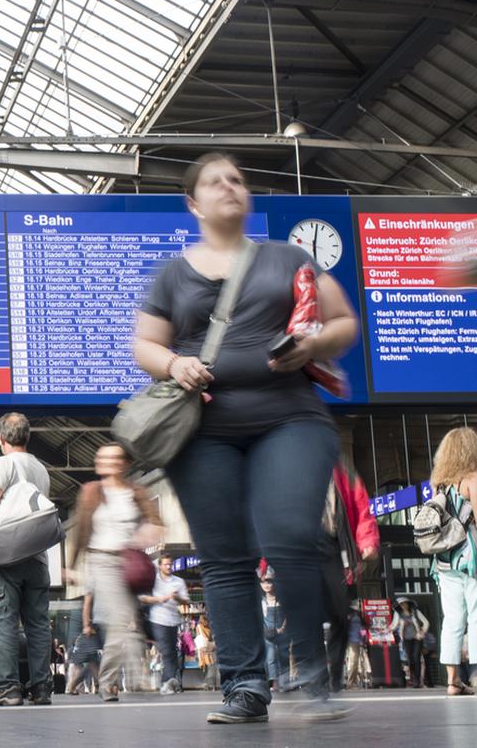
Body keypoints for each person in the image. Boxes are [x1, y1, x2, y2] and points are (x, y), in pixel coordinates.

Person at [133, 152, 358, 724]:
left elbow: (343, 322)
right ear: (193, 204)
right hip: (203, 430)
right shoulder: (172, 274)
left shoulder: (286, 257)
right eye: (213, 181)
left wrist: (311, 346)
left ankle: (311, 671)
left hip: (290, 418)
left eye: (236, 178)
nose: (229, 186)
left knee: (287, 533)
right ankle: (245, 685)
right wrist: (173, 364)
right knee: (225, 557)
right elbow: (146, 345)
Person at [66, 443, 163, 703]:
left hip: (127, 563)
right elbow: (80, 530)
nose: (102, 461)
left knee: (126, 624)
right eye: (100, 457)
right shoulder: (90, 491)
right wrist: (72, 566)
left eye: (110, 458)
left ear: (123, 464)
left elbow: (155, 520)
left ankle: (110, 683)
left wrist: (149, 530)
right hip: (101, 561)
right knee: (122, 621)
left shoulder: (136, 491)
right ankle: (131, 678)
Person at [0, 412, 54, 707]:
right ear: (28, 437)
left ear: (2, 439)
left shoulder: (3, 464)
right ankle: (41, 688)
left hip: (6, 553)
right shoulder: (41, 468)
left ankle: (8, 688)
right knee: (37, 624)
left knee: (4, 621)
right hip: (37, 555)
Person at [319, 464, 380, 693]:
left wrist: (367, 542)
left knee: (340, 617)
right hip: (304, 550)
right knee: (309, 616)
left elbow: (361, 507)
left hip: (336, 550)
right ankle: (318, 678)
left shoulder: (343, 474)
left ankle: (334, 677)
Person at [427, 427, 477, 696]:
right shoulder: (472, 479)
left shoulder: (438, 483)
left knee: (452, 619)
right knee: (476, 616)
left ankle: (452, 681)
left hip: (444, 562)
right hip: (471, 560)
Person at [141, 554, 190, 695]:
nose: (169, 567)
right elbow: (142, 597)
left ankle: (167, 682)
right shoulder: (153, 581)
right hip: (157, 620)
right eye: (166, 564)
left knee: (173, 654)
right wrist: (160, 599)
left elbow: (186, 601)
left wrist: (177, 597)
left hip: (173, 620)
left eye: (170, 564)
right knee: (167, 652)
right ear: (160, 566)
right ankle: (166, 684)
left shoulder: (179, 581)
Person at [393, 598, 431, 688]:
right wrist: (385, 630)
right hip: (406, 639)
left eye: (405, 604)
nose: (404, 606)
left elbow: (426, 622)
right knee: (410, 659)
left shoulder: (415, 612)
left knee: (416, 657)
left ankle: (417, 681)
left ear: (408, 604)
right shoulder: (398, 614)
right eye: (401, 604)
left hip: (417, 638)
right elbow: (394, 625)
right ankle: (413, 678)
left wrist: (422, 632)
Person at [343, 605, 370, 690]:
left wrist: (364, 639)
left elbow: (361, 629)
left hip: (354, 641)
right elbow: (362, 629)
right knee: (353, 662)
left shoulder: (354, 617)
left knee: (353, 662)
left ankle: (351, 682)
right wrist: (364, 639)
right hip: (354, 641)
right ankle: (351, 682)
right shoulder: (356, 616)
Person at [197, 615, 220, 691]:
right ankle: (211, 685)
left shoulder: (202, 627)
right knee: (210, 667)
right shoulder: (203, 627)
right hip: (208, 649)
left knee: (209, 667)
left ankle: (210, 684)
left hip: (206, 649)